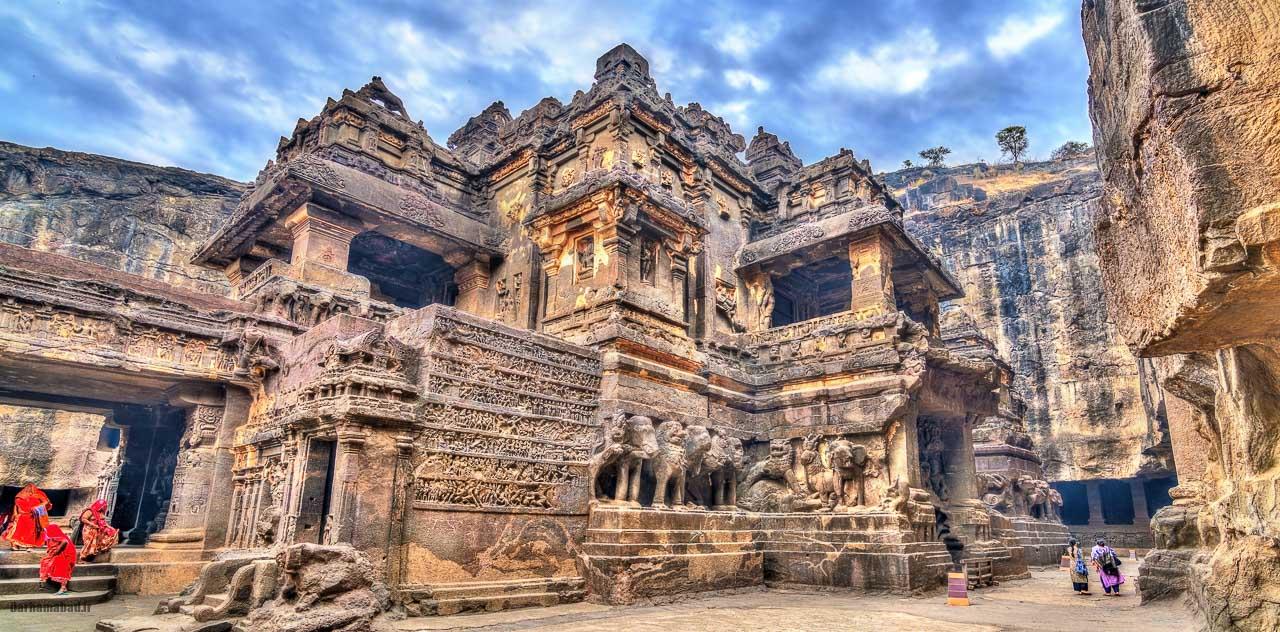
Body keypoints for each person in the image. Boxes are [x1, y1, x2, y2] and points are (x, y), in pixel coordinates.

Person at [2, 483, 52, 549]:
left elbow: (46, 503)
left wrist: (39, 505)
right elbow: (20, 507)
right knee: (17, 532)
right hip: (22, 517)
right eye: (29, 490)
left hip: (33, 518)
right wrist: (16, 514)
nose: (30, 491)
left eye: (32, 490)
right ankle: (14, 545)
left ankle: (29, 546)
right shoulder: (20, 496)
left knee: (30, 533)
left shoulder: (39, 494)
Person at [39, 524, 76, 595]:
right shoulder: (53, 536)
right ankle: (62, 587)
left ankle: (63, 588)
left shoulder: (56, 536)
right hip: (61, 554)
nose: (45, 532)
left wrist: (57, 551)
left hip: (65, 555)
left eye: (46, 531)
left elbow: (65, 542)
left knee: (60, 566)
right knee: (46, 561)